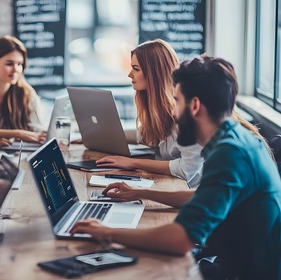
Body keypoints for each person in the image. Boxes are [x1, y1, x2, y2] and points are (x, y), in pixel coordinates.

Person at [71, 56, 281, 279]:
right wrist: (140, 193)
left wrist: (106, 233)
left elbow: (180, 240)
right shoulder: (236, 139)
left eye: (177, 101)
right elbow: (202, 196)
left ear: (195, 105)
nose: (173, 112)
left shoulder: (230, 153)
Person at [96, 39, 265, 189]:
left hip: (188, 187)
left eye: (136, 69)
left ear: (154, 74)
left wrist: (133, 163)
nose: (129, 74)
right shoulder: (162, 107)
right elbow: (147, 133)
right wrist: (104, 135)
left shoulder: (187, 113)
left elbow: (186, 171)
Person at [0, 35, 47, 143]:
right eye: (9, 64)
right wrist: (19, 133)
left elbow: (38, 130)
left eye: (19, 64)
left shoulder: (27, 94)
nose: (16, 69)